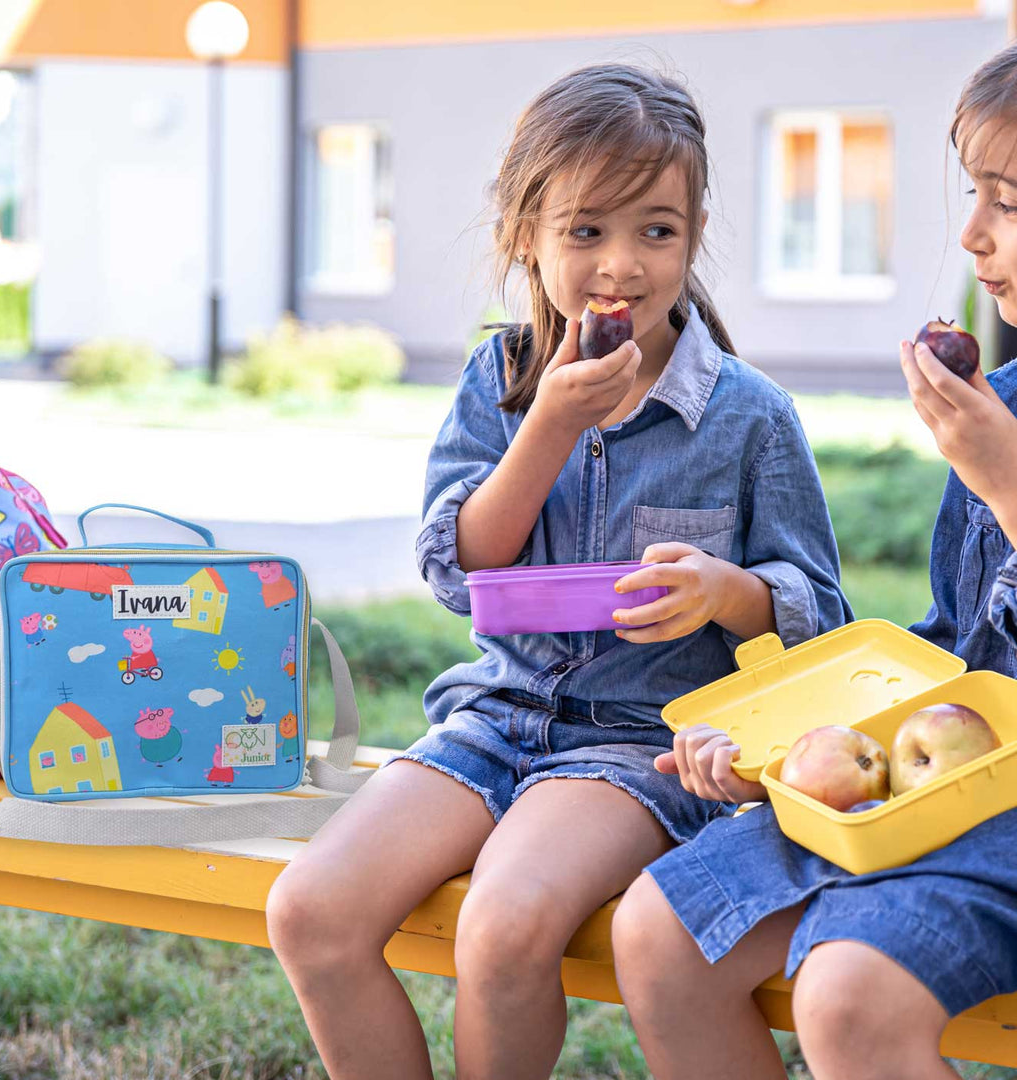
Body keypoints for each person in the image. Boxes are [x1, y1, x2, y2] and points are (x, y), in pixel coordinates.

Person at [264, 62, 850, 1080]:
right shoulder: (498, 385)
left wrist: (727, 592)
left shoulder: (749, 416)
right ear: (524, 233)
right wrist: (550, 422)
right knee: (309, 911)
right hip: (496, 715)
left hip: (639, 749)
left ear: (696, 231)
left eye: (656, 231)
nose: (622, 265)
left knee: (502, 926)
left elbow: (820, 614)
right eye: (587, 231)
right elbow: (460, 571)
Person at [612, 42, 1017, 1080]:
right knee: (660, 933)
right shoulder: (1002, 409)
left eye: (1007, 200)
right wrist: (790, 747)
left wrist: (1008, 484)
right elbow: (956, 654)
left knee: (847, 996)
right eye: (973, 192)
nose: (970, 232)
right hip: (942, 777)